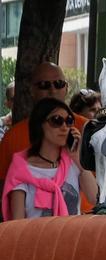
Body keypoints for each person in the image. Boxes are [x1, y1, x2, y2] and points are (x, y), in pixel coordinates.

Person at [0, 61, 92, 210]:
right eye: (44, 85)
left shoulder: (88, 129)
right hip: (33, 230)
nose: (52, 90)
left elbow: (98, 195)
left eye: (59, 84)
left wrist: (78, 160)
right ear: (32, 90)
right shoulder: (13, 138)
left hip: (83, 226)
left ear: (66, 88)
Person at [2, 99, 97, 220]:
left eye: (68, 121)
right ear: (39, 125)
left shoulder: (74, 163)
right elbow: (17, 224)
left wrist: (78, 159)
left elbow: (94, 198)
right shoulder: (21, 169)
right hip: (35, 238)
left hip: (72, 237)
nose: (64, 127)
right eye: (56, 120)